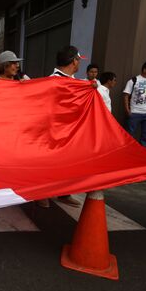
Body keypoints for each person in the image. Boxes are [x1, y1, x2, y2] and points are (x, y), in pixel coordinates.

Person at [42, 45, 89, 208]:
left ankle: (64, 193)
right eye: (78, 60)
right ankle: (41, 193)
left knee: (67, 164)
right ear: (74, 61)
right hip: (54, 131)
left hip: (70, 131)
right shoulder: (53, 80)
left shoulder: (75, 81)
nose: (79, 63)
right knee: (48, 164)